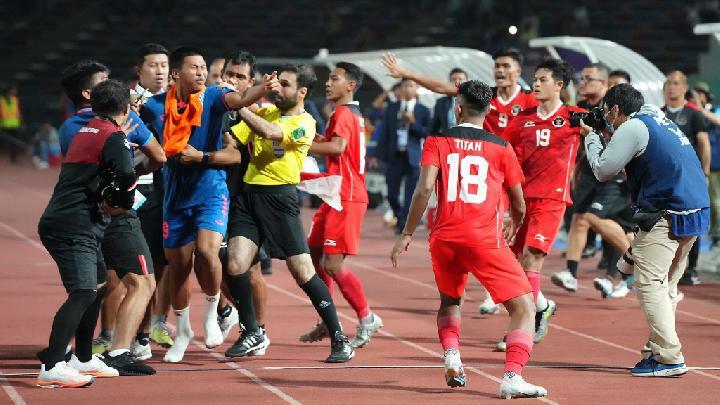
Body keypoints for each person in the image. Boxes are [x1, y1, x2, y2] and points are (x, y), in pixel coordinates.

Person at [391, 80, 547, 399]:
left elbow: (423, 190)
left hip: (444, 237)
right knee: (525, 308)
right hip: (483, 238)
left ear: (457, 108)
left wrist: (406, 233)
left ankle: (452, 357)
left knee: (450, 300)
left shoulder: (436, 141)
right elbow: (519, 202)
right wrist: (514, 225)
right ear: (488, 110)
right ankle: (512, 377)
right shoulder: (501, 147)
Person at [141, 46, 280, 363]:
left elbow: (240, 100)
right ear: (177, 73)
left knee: (207, 251)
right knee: (178, 267)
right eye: (195, 68)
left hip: (211, 189)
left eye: (204, 67)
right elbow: (136, 132)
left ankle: (213, 311)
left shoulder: (214, 96)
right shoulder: (153, 106)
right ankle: (184, 331)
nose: (202, 73)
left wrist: (262, 87)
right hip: (175, 194)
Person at [380, 49, 538, 314]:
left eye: (505, 66)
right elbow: (442, 87)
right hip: (484, 169)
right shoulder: (484, 95)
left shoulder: (530, 99)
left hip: (509, 169)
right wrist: (405, 73)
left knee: (521, 246)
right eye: (496, 65)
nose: (499, 70)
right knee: (491, 234)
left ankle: (530, 303)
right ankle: (507, 297)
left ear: (518, 72)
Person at [224, 64, 354, 363]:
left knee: (303, 272)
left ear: (302, 92)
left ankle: (339, 337)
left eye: (284, 84)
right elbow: (235, 138)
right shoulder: (265, 111)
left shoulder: (305, 123)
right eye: (276, 83)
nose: (276, 88)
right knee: (234, 264)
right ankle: (251, 330)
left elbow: (269, 132)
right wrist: (233, 123)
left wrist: (238, 103)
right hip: (248, 196)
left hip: (279, 200)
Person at [584, 83, 709, 377]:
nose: (604, 118)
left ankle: (670, 357)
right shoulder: (657, 119)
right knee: (665, 285)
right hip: (693, 209)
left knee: (650, 284)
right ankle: (657, 352)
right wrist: (606, 133)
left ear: (616, 109)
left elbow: (603, 170)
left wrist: (590, 137)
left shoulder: (633, 127)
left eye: (606, 112)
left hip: (668, 212)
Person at [57, 60, 165, 375]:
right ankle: (118, 351)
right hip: (115, 213)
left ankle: (69, 348)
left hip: (81, 214)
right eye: (105, 81)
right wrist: (132, 162)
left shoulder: (70, 127)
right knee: (142, 280)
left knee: (95, 284)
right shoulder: (121, 124)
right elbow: (158, 156)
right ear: (89, 92)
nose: (113, 85)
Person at [36, 79, 138, 387]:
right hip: (74, 225)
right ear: (126, 108)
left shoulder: (87, 128)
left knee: (98, 284)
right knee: (83, 292)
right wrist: (120, 200)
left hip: (72, 220)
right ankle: (52, 365)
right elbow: (127, 178)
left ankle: (83, 357)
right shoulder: (113, 136)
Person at [499, 58, 588, 348]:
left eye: (543, 79)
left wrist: (595, 137)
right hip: (522, 199)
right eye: (535, 79)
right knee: (511, 262)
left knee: (532, 258)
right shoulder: (522, 119)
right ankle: (541, 306)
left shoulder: (576, 117)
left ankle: (526, 324)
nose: (535, 84)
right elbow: (501, 151)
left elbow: (609, 135)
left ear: (559, 85)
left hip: (552, 198)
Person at [300, 61, 383, 348]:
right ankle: (328, 318)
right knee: (313, 253)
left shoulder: (345, 112)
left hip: (346, 195)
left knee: (332, 265)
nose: (327, 83)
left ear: (350, 85)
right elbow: (335, 144)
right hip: (336, 193)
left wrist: (298, 145)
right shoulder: (348, 113)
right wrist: (312, 137)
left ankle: (367, 317)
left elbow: (337, 148)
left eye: (334, 78)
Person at [551, 62, 635, 298]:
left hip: (614, 173)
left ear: (603, 83)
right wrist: (574, 172)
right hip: (589, 171)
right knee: (579, 218)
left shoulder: (615, 109)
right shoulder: (580, 109)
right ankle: (571, 273)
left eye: (588, 79)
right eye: (582, 78)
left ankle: (634, 266)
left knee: (599, 220)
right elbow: (578, 146)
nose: (582, 83)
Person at [130, 43, 174, 357]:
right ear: (139, 70)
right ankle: (113, 332)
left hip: (163, 192)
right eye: (153, 65)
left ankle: (152, 326)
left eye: (164, 65)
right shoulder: (129, 103)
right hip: (134, 191)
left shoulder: (174, 102)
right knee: (129, 270)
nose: (160, 71)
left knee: (163, 264)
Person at [662, 71, 711, 286]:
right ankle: (668, 266)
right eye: (668, 84)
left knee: (692, 221)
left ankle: (691, 269)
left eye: (675, 84)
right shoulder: (659, 114)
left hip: (689, 178)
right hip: (664, 179)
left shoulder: (694, 114)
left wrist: (705, 173)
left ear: (684, 88)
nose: (671, 88)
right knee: (665, 221)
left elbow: (704, 143)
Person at [367, 76, 431, 234]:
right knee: (392, 194)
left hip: (414, 157)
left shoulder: (424, 110)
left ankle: (403, 223)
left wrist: (413, 123)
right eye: (405, 86)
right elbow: (384, 133)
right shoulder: (391, 108)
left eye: (411, 86)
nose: (408, 89)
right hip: (394, 156)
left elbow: (428, 134)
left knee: (410, 193)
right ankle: (399, 214)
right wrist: (375, 154)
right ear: (400, 90)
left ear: (416, 90)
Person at [430, 68, 468, 134]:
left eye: (460, 79)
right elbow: (434, 128)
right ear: (449, 82)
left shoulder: (474, 101)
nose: (457, 82)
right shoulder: (441, 103)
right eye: (454, 79)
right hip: (448, 141)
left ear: (467, 82)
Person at [0, 83, 23, 163]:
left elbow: (18, 112)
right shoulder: (1, 100)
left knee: (14, 142)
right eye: (13, 89)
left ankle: (14, 158)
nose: (15, 91)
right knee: (3, 143)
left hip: (14, 124)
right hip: (4, 125)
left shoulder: (15, 99)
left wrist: (21, 122)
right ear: (9, 90)